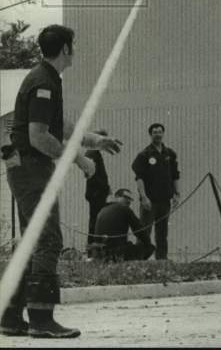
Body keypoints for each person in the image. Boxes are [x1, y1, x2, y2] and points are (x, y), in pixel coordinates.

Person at [0, 25, 122, 339]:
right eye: (74, 45)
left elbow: (57, 123)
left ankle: (11, 317)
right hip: (31, 168)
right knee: (49, 240)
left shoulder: (46, 77)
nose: (75, 50)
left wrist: (93, 139)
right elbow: (39, 137)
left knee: (33, 240)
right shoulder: (43, 81)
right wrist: (80, 159)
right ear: (66, 48)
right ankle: (41, 319)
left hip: (24, 168)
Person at [131, 122, 180, 260]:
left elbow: (175, 175)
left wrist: (177, 194)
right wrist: (143, 196)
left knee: (162, 233)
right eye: (154, 132)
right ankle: (140, 260)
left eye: (160, 132)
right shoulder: (144, 155)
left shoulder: (170, 154)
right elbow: (139, 178)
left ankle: (161, 260)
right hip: (149, 201)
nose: (157, 134)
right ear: (150, 134)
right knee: (144, 232)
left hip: (165, 201)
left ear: (163, 134)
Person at [93, 188, 154, 261]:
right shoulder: (125, 209)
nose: (129, 201)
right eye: (126, 197)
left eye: (130, 199)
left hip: (100, 253)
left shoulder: (102, 210)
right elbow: (139, 230)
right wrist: (148, 243)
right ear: (117, 197)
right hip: (117, 252)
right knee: (149, 247)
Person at [84, 141, 110, 255]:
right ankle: (92, 252)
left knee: (97, 222)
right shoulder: (92, 153)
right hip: (96, 193)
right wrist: (103, 187)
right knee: (95, 222)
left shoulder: (95, 153)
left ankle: (95, 251)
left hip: (98, 192)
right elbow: (89, 172)